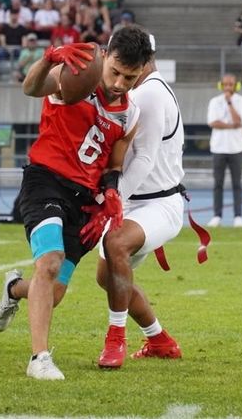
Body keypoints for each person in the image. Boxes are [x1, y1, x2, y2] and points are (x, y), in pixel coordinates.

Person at [0, 25, 153, 381]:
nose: (121, 83)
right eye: (116, 72)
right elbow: (30, 88)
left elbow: (114, 161)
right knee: (49, 263)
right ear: (105, 56)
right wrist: (48, 59)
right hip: (46, 180)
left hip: (85, 201)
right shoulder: (77, 73)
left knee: (55, 291)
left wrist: (111, 194)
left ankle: (12, 289)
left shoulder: (131, 113)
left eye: (131, 77)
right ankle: (39, 358)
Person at [93, 35, 186, 369]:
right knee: (108, 278)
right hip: (136, 200)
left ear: (145, 61)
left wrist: (112, 202)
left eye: (130, 69)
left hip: (159, 203)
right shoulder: (141, 88)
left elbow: (145, 158)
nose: (122, 80)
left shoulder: (149, 93)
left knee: (116, 242)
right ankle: (159, 339)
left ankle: (115, 338)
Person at [206, 73, 242, 228]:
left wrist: (230, 103)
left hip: (236, 148)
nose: (228, 87)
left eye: (231, 84)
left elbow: (239, 121)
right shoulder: (214, 102)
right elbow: (213, 123)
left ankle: (238, 216)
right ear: (221, 85)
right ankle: (217, 216)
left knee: (237, 184)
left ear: (236, 86)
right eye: (225, 84)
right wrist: (231, 126)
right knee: (218, 184)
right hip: (218, 147)